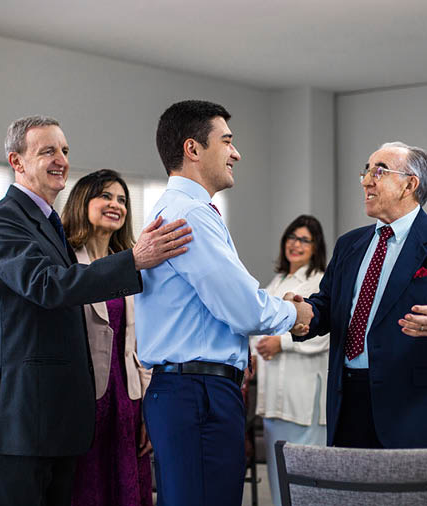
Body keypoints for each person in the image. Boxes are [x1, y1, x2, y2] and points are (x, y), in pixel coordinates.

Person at [0, 115, 192, 506]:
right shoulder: (2, 220)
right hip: (22, 420)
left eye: (64, 150)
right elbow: (46, 285)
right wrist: (133, 261)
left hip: (58, 419)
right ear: (16, 161)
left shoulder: (47, 223)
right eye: (47, 151)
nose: (61, 160)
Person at [133, 100, 312, 506]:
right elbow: (242, 308)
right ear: (193, 149)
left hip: (190, 390)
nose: (236, 153)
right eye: (227, 142)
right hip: (198, 393)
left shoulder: (181, 209)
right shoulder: (191, 214)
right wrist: (295, 313)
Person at [289, 142, 427, 449]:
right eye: (366, 171)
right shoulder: (349, 244)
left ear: (410, 185)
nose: (366, 181)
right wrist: (300, 315)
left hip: (411, 408)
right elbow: (326, 306)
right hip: (346, 398)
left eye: (379, 172)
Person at [61, 170, 153, 506]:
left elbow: (144, 341)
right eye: (106, 196)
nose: (116, 205)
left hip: (127, 396)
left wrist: (147, 407)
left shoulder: (132, 263)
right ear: (82, 201)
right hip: (83, 399)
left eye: (122, 200)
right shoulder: (65, 259)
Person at [253, 215, 329, 506]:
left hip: (303, 399)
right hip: (274, 398)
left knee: (306, 481)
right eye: (292, 238)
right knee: (279, 478)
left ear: (315, 247)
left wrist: (281, 343)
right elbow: (258, 325)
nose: (296, 245)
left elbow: (326, 334)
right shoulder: (278, 281)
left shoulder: (319, 280)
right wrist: (253, 353)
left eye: (304, 240)